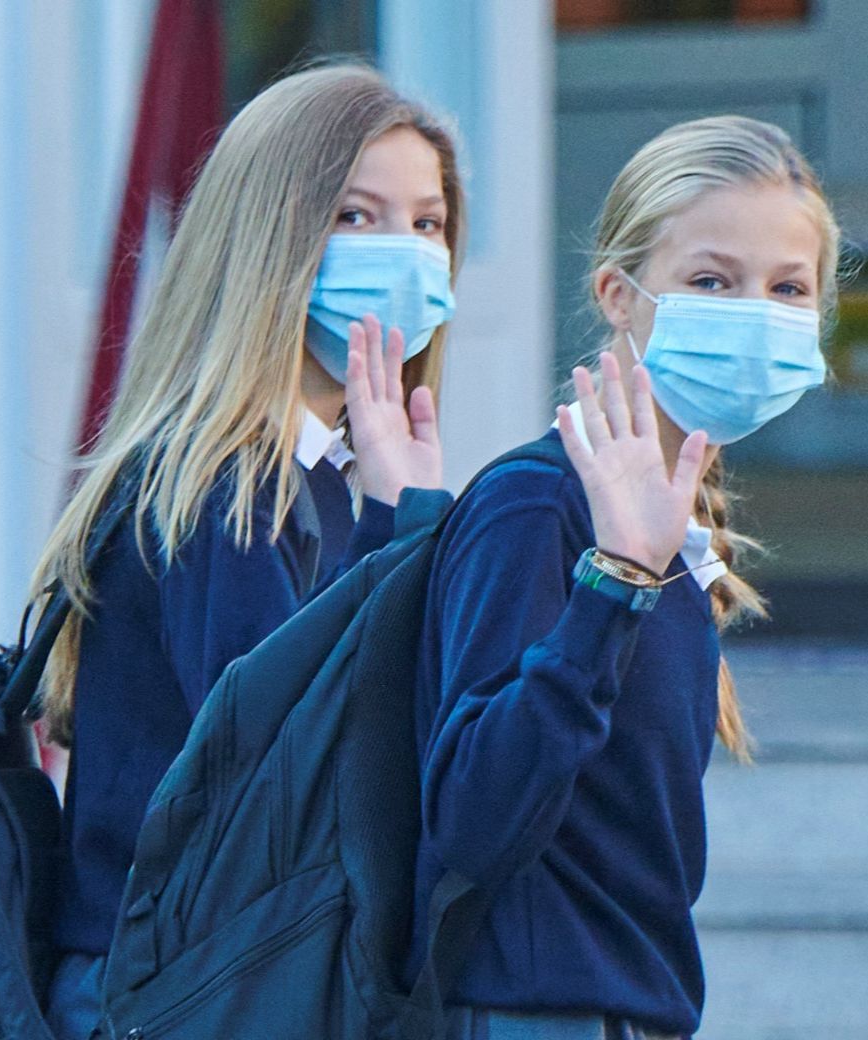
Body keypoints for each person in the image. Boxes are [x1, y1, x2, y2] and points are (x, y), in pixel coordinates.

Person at [29, 63, 465, 1039]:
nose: (403, 251)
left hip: (198, 976)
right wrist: (402, 533)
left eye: (427, 223)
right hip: (182, 989)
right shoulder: (227, 483)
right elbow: (297, 768)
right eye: (356, 216)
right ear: (267, 235)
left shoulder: (301, 474)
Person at [411, 115, 837, 1039]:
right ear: (619, 294)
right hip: (532, 1012)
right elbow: (471, 818)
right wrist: (613, 584)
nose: (753, 312)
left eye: (787, 287)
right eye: (710, 281)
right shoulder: (538, 508)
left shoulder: (670, 526)